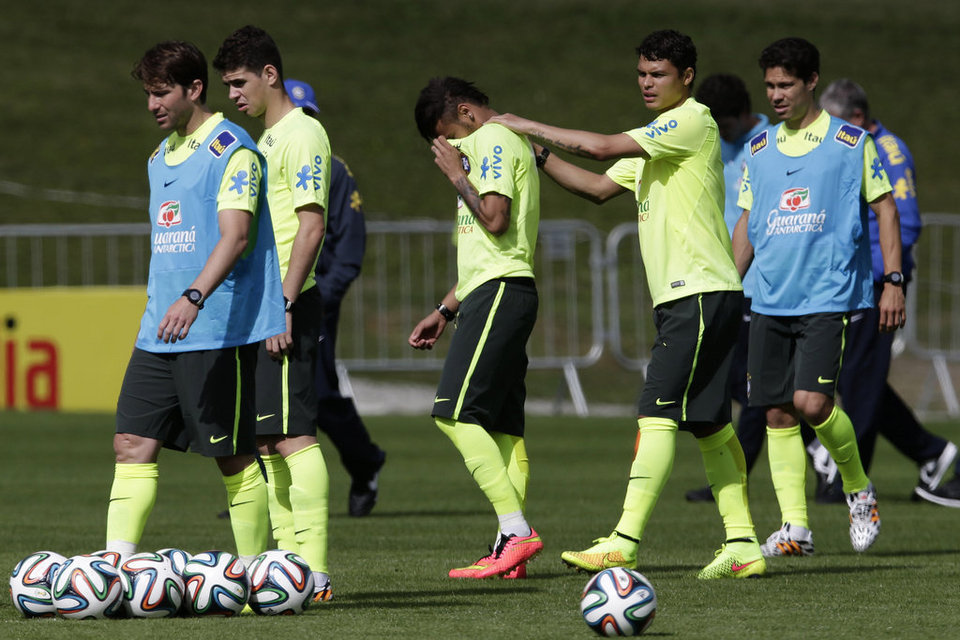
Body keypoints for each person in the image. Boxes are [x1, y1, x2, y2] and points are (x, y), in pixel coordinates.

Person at [491, 30, 765, 579]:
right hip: (693, 297)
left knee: (655, 414)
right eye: (641, 73)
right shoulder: (657, 138)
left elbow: (597, 147)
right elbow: (595, 186)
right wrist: (537, 153)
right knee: (710, 425)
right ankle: (743, 545)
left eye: (657, 74)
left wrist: (520, 124)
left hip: (699, 293)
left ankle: (625, 539)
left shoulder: (690, 120)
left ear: (686, 78)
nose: (646, 83)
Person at [106, 40, 284, 567]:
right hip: (158, 331)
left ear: (194, 89)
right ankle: (113, 570)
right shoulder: (160, 157)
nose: (152, 104)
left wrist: (192, 297)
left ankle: (254, 574)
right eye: (147, 94)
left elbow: (235, 236)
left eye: (162, 93)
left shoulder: (231, 149)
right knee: (130, 444)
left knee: (232, 456)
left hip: (214, 328)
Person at [731, 38, 906, 557]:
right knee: (776, 413)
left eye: (785, 84)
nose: (776, 94)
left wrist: (893, 282)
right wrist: (727, 287)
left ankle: (858, 489)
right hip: (767, 299)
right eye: (769, 86)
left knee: (812, 403)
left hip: (828, 296)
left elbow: (887, 209)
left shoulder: (852, 143)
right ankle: (795, 529)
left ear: (810, 83)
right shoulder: (758, 150)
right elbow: (747, 222)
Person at [213, 26, 332, 602]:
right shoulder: (264, 141)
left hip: (285, 302)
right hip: (265, 304)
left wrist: (283, 302)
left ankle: (314, 570)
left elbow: (312, 225)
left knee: (292, 436)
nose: (233, 95)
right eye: (227, 85)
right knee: (266, 441)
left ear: (270, 75)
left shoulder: (302, 133)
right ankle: (284, 571)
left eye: (240, 83)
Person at [410, 76, 543, 579]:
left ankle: (516, 531)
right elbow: (486, 254)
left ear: (466, 112)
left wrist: (456, 176)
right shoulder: (494, 142)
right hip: (500, 289)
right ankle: (512, 551)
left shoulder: (488, 138)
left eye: (451, 137)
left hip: (501, 294)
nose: (452, 150)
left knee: (453, 413)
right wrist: (444, 310)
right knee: (504, 428)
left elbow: (494, 219)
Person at [813, 78, 960, 507]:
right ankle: (931, 451)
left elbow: (907, 221)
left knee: (860, 377)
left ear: (857, 118)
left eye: (835, 122)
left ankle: (847, 478)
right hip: (851, 281)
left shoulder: (889, 150)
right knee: (855, 375)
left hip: (879, 283)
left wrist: (885, 278)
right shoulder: (851, 146)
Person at [285, 77, 387, 517]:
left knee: (318, 393)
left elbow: (348, 250)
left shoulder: (336, 170)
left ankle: (365, 464)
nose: (305, 124)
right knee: (264, 393)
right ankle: (265, 492)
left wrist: (317, 297)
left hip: (311, 299)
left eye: (311, 115)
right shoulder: (262, 156)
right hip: (269, 298)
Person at [683, 73, 772, 503]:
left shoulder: (770, 143)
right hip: (724, 281)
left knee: (756, 389)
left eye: (728, 126)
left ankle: (732, 482)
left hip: (760, 285)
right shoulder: (713, 143)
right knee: (737, 384)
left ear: (743, 115)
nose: (725, 134)